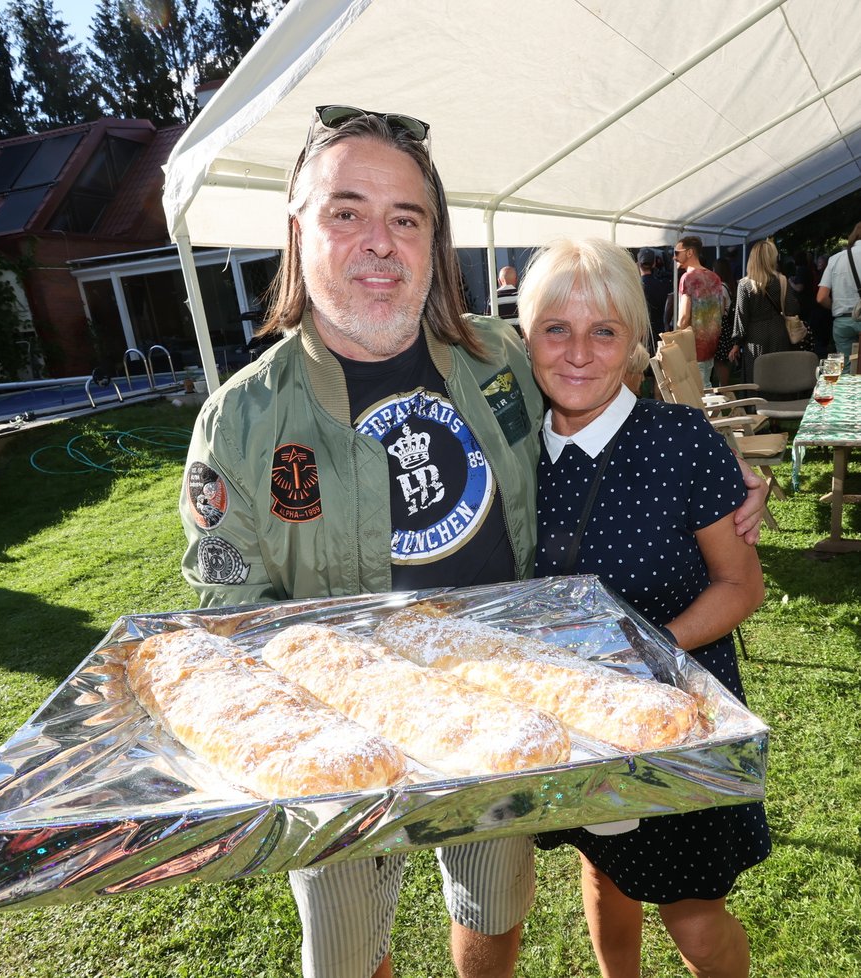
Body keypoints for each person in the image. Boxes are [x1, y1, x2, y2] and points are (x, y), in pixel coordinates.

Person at [179, 106, 768, 978]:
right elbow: (232, 625)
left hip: (497, 702)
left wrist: (728, 482)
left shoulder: (498, 358)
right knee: (342, 959)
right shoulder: (241, 422)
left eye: (405, 218)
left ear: (433, 241)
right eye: (347, 211)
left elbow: (601, 396)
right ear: (298, 228)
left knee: (493, 914)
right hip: (343, 738)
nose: (379, 241)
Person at [518, 237, 770, 978]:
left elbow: (741, 585)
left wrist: (646, 648)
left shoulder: (680, 441)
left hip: (674, 716)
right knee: (602, 868)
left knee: (694, 920)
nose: (578, 353)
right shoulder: (511, 455)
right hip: (573, 725)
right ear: (525, 337)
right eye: (555, 329)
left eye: (604, 331)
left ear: (634, 340)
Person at [728, 239, 797, 384]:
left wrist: (736, 343)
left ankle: (756, 406)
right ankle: (781, 404)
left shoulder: (745, 285)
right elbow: (792, 308)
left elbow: (741, 317)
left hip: (755, 338)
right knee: (779, 375)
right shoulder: (782, 280)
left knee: (757, 377)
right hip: (779, 333)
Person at [673, 235, 725, 387]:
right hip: (711, 343)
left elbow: (683, 318)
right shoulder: (715, 277)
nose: (674, 257)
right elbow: (720, 310)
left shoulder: (687, 278)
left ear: (689, 253)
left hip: (692, 345)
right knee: (706, 386)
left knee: (698, 393)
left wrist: (675, 339)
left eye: (677, 252)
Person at [817, 221, 861, 361]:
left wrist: (836, 306)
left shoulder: (835, 259)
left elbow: (821, 297)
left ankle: (849, 383)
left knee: (848, 368)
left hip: (842, 321)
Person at [712, 257, 738, 387]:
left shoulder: (721, 288)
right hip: (727, 328)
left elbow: (720, 311)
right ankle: (724, 388)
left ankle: (723, 389)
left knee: (720, 362)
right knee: (722, 362)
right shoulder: (729, 285)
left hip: (721, 328)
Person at [636, 247, 670, 347]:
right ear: (654, 264)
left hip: (642, 336)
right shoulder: (664, 284)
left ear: (638, 264)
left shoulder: (636, 287)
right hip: (660, 333)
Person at [486, 264, 522, 334]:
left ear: (499, 281)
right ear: (516, 280)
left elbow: (488, 322)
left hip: (502, 342)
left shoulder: (494, 298)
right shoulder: (522, 296)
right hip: (521, 343)